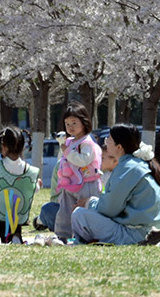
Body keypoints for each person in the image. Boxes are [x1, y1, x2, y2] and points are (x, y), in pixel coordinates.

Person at [70, 124, 160, 245]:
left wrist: (90, 202)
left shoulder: (127, 167)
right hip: (154, 229)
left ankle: (82, 241)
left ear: (119, 147)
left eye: (109, 140)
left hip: (135, 234)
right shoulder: (140, 164)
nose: (106, 142)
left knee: (79, 214)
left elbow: (110, 209)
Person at [0, 125, 40, 243]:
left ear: (3, 147)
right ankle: (15, 236)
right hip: (15, 215)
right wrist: (38, 185)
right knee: (13, 208)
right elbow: (33, 189)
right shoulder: (26, 168)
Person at [53, 102, 102, 240]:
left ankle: (89, 236)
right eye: (67, 124)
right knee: (64, 211)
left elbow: (83, 161)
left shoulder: (88, 143)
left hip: (87, 183)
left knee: (86, 211)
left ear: (84, 122)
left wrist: (67, 152)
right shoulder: (69, 142)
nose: (70, 127)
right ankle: (61, 235)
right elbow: (62, 160)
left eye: (74, 123)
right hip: (70, 184)